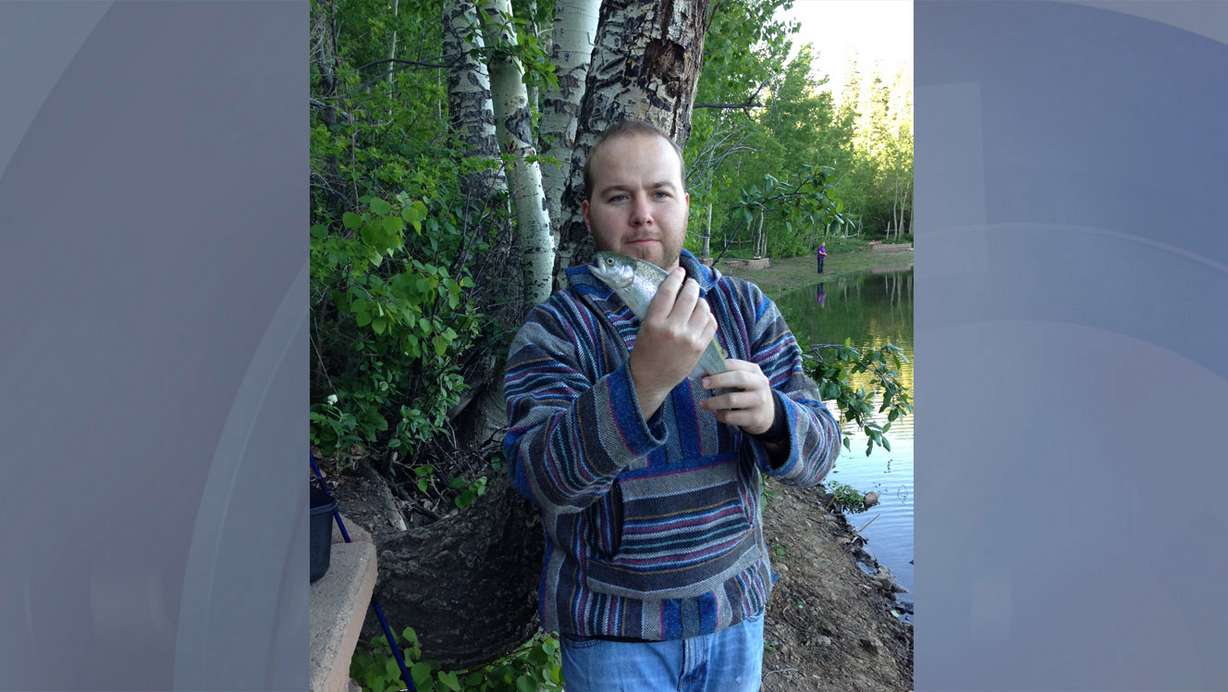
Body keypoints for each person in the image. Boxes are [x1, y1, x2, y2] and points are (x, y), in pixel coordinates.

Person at [503, 120, 841, 691]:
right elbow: (541, 478)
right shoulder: (554, 332)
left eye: (660, 193)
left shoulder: (744, 308)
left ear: (684, 202)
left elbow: (823, 451)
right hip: (613, 636)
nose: (642, 214)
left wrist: (776, 417)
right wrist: (640, 385)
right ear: (587, 213)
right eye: (618, 196)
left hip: (735, 621)